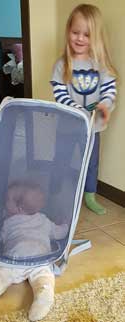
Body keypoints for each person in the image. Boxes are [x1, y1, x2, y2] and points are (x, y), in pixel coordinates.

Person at [0, 180, 68, 321]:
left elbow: (1, 239)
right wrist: (65, 224)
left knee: (1, 274)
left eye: (8, 200)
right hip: (40, 257)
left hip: (15, 257)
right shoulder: (44, 220)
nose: (4, 202)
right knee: (44, 276)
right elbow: (60, 233)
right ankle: (44, 295)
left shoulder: (8, 222)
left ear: (19, 209)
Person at [51, 3, 117, 215]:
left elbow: (109, 90)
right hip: (66, 124)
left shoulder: (101, 64)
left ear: (95, 37)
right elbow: (60, 94)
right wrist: (77, 109)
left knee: (90, 162)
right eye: (75, 32)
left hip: (92, 127)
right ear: (68, 31)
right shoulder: (62, 65)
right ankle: (54, 191)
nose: (80, 38)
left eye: (87, 34)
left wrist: (105, 106)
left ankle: (90, 194)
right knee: (61, 158)